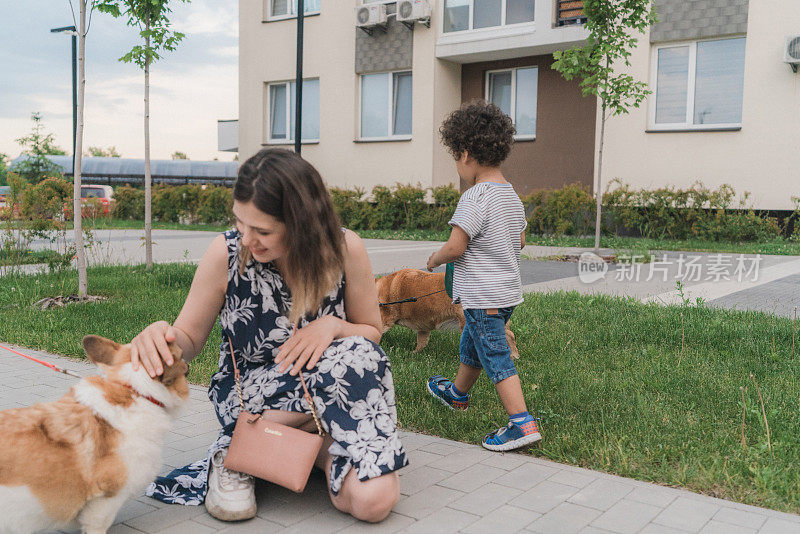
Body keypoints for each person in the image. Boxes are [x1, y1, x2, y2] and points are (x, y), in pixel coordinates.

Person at [130, 148, 406, 522]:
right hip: (257, 396)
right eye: (240, 223)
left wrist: (334, 325)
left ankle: (279, 449)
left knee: (374, 503)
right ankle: (239, 452)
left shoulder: (345, 249)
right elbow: (188, 338)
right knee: (352, 363)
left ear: (302, 223)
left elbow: (371, 333)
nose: (247, 239)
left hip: (328, 391)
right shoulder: (225, 253)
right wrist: (161, 338)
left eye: (262, 231)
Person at [425, 100, 541, 452]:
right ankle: (458, 394)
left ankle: (521, 423)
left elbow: (456, 247)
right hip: (506, 296)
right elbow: (519, 240)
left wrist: (435, 258)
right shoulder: (511, 196)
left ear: (464, 153)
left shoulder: (474, 197)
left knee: (496, 357)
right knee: (473, 345)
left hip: (482, 297)